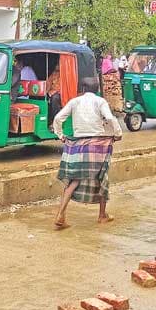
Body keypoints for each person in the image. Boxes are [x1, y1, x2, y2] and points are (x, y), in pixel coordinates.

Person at [52, 77, 122, 229]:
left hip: (78, 144)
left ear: (82, 89)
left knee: (74, 180)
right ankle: (102, 215)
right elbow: (110, 118)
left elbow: (58, 118)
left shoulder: (74, 102)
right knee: (103, 177)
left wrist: (61, 135)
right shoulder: (100, 101)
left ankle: (61, 214)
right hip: (98, 146)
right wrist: (118, 134)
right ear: (97, 89)